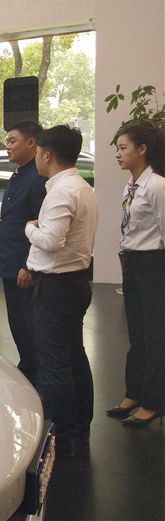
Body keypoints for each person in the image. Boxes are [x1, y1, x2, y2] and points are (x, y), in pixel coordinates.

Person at [25, 125, 98, 457]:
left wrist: (30, 227)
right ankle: (79, 428)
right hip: (75, 283)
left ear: (48, 155)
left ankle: (61, 435)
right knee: (74, 357)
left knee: (54, 364)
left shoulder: (61, 191)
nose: (36, 158)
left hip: (56, 287)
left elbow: (51, 241)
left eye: (38, 152)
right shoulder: (82, 187)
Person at [106, 124, 165, 427]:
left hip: (153, 264)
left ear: (142, 149)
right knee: (137, 334)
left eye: (123, 148)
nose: (118, 154)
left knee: (155, 335)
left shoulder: (157, 186)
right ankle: (135, 392)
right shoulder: (131, 185)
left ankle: (154, 402)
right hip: (132, 262)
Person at [0, 122, 48, 385]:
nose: (8, 146)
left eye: (12, 141)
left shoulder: (38, 178)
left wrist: (28, 265)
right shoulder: (18, 175)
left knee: (29, 327)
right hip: (9, 263)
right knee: (18, 325)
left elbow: (39, 224)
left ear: (31, 143)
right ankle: (27, 371)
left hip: (23, 268)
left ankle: (36, 379)